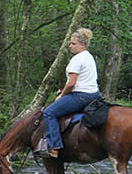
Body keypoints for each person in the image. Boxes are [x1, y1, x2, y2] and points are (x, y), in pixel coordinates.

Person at [42, 28, 101, 158]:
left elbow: (71, 83)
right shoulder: (89, 57)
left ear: (82, 45)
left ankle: (54, 147)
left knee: (49, 113)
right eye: (70, 43)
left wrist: (61, 95)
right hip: (94, 95)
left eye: (73, 44)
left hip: (81, 96)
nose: (70, 46)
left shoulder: (77, 59)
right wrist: (64, 91)